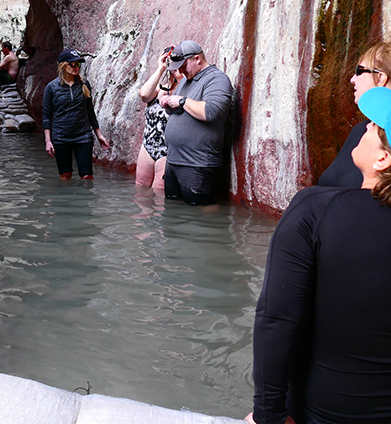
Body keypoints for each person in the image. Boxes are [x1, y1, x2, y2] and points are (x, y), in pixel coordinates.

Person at [246, 85, 391, 424]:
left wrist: (268, 416)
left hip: (324, 412)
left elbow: (276, 320)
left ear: (383, 158)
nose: (367, 125)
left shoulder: (315, 209)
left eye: (376, 124)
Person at [159, 40, 232, 205]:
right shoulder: (186, 80)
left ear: (197, 59)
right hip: (174, 161)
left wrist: (182, 101)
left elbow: (210, 112)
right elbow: (180, 109)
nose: (180, 71)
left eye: (183, 65)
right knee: (172, 211)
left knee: (200, 215)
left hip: (197, 163)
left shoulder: (217, 79)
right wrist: (168, 104)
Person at [318, 42, 391, 187]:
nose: (352, 79)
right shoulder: (360, 130)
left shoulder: (376, 137)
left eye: (359, 71)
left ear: (380, 78)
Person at [43, 48, 111, 180]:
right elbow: (46, 115)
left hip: (83, 135)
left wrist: (99, 135)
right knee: (65, 175)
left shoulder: (84, 84)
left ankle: (85, 200)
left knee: (87, 176)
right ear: (63, 65)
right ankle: (67, 200)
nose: (76, 67)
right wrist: (48, 141)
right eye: (72, 64)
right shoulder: (51, 87)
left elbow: (90, 112)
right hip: (61, 136)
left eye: (78, 64)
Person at [136, 46, 183, 190]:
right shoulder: (159, 89)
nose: (173, 68)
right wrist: (161, 68)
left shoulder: (186, 91)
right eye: (171, 63)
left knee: (159, 192)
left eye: (177, 64)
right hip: (148, 146)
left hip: (167, 150)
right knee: (140, 188)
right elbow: (144, 95)